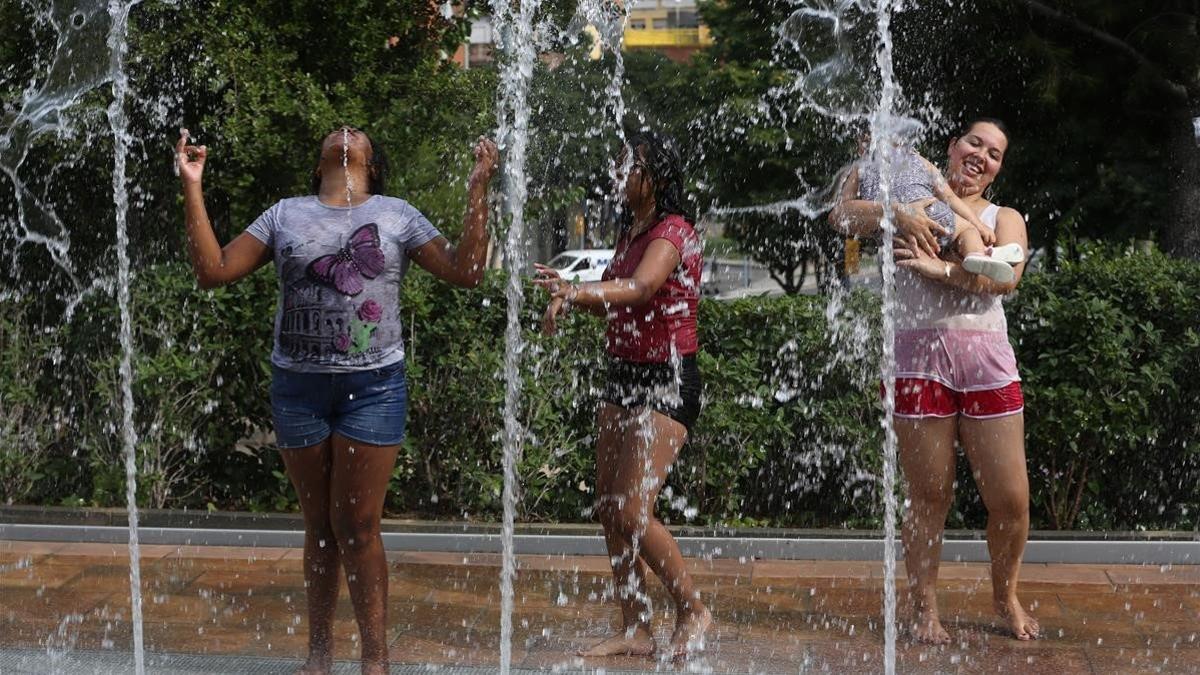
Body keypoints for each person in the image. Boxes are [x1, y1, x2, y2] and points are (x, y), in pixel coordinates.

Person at [176, 126, 499, 675]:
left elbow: (466, 272)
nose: (346, 131)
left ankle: (376, 661)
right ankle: (319, 656)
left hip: (373, 387)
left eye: (359, 133)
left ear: (371, 163)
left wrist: (477, 191)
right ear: (319, 157)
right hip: (298, 388)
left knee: (359, 526)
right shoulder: (283, 214)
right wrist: (192, 185)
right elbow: (214, 271)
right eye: (335, 131)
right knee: (319, 527)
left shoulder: (396, 212)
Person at [830, 118, 1040, 644]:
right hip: (916, 359)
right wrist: (895, 213)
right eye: (974, 142)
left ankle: (1004, 594)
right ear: (952, 146)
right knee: (929, 495)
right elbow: (841, 214)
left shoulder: (1001, 217)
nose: (981, 155)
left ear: (997, 169)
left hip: (985, 360)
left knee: (1011, 500)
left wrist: (939, 270)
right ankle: (924, 607)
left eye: (994, 153)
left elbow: (1006, 279)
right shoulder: (908, 192)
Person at [536, 131, 712, 660]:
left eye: (626, 167)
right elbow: (619, 303)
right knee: (609, 507)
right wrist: (567, 299)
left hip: (668, 376)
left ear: (652, 177)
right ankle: (636, 627)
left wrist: (580, 290)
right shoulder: (629, 229)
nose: (617, 176)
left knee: (635, 510)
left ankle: (692, 608)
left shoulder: (673, 230)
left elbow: (639, 289)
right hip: (625, 373)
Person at [854, 137, 1025, 283]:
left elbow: (846, 207)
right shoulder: (916, 159)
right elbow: (949, 197)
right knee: (966, 230)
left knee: (957, 237)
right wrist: (978, 226)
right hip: (930, 210)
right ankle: (979, 254)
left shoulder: (860, 170)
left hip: (899, 231)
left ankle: (983, 254)